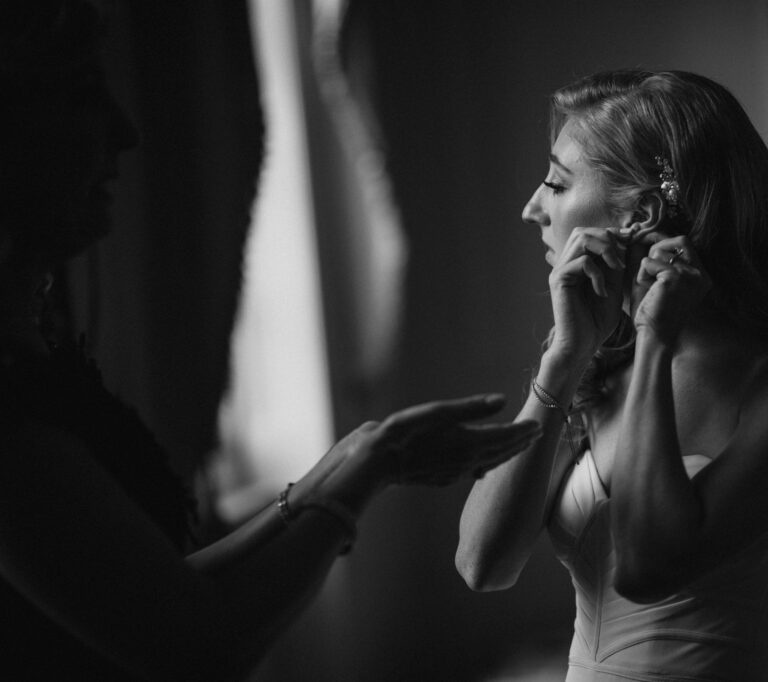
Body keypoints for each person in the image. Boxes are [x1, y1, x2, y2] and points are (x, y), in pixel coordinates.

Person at [0, 2, 540, 680]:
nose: (126, 131)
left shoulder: (29, 361)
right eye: (82, 95)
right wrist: (367, 471)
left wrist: (354, 458)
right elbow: (198, 644)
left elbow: (160, 585)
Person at [457, 69, 768, 681]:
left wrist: (654, 343)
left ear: (640, 213)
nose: (531, 208)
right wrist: (564, 356)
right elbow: (482, 564)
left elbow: (648, 568)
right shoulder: (595, 369)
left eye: (556, 183)